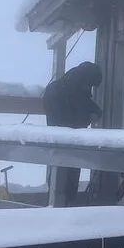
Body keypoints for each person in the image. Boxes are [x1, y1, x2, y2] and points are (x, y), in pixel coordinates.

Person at [42, 61, 103, 205]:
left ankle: (57, 206)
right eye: (91, 85)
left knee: (56, 183)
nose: (90, 88)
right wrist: (89, 117)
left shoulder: (59, 87)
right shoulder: (76, 91)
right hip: (71, 144)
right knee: (68, 185)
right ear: (87, 81)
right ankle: (64, 207)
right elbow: (73, 119)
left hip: (56, 144)